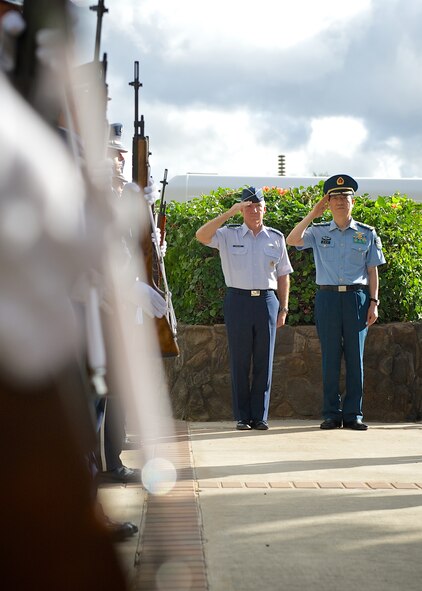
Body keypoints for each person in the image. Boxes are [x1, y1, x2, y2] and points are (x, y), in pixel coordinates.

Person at [286, 174, 386, 430]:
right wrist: (312, 214)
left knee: (355, 358)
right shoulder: (318, 232)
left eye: (346, 197)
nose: (341, 201)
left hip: (357, 298)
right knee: (330, 357)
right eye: (335, 197)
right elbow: (292, 240)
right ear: (327, 203)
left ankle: (354, 414)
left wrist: (374, 301)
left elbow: (372, 269)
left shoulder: (366, 233)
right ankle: (331, 413)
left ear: (353, 202)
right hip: (328, 298)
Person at [195, 186, 292, 430]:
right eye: (248, 207)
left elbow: (283, 275)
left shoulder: (276, 238)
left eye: (258, 206)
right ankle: (242, 416)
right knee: (239, 360)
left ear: (265, 209)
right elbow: (202, 236)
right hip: (238, 300)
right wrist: (229, 212)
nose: (254, 211)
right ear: (242, 210)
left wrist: (283, 308)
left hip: (267, 301)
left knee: (264, 360)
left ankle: (260, 416)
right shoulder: (228, 235)